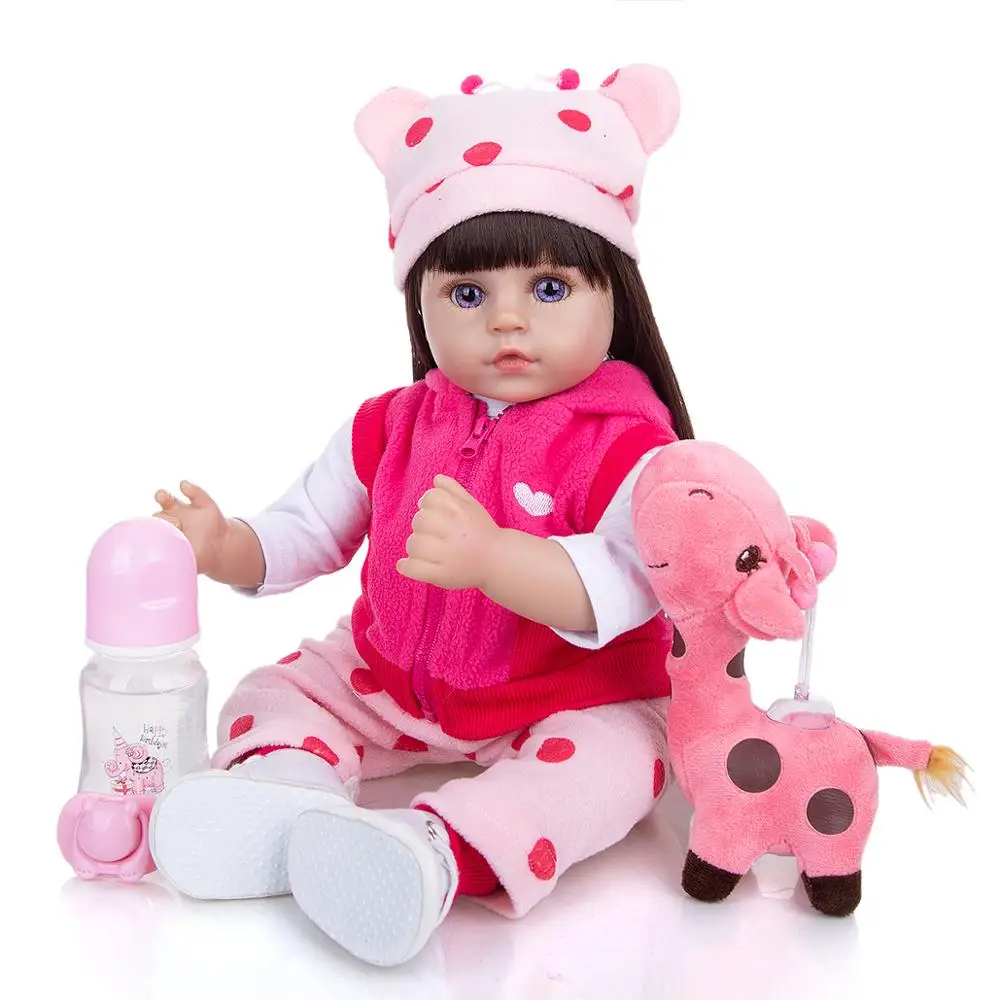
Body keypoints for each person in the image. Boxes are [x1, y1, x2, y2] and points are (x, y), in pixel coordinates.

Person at [148, 64, 694, 968]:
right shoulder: (391, 424)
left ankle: (431, 852)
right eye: (469, 295)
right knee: (276, 691)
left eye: (549, 289)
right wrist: (226, 546)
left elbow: (629, 584)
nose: (507, 322)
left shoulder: (632, 445)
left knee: (614, 767)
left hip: (572, 696)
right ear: (422, 302)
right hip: (390, 679)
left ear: (616, 296)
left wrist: (496, 560)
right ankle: (287, 802)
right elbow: (306, 529)